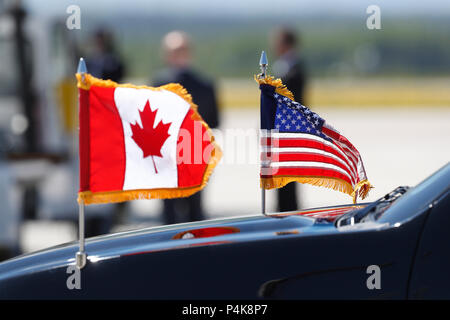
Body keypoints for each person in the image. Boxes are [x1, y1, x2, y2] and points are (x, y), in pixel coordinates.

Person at [153, 31, 220, 224]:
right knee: (192, 213)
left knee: (172, 216)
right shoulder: (205, 85)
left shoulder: (159, 84)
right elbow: (214, 122)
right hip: (192, 154)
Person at [271, 27, 308, 212]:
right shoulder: (285, 66)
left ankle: (287, 213)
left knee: (288, 179)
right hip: (281, 129)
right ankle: (283, 210)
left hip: (288, 130)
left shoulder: (294, 70)